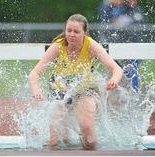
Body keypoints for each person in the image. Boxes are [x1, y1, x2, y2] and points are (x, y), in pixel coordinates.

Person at [28, 13, 123, 150]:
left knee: (88, 133)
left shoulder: (91, 45)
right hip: (59, 92)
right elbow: (34, 73)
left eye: (76, 32)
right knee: (54, 140)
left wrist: (114, 80)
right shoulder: (58, 46)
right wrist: (36, 90)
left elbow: (116, 68)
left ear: (85, 33)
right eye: (69, 31)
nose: (72, 34)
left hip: (85, 90)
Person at [98, 0, 147, 93]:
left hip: (133, 47)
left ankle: (133, 93)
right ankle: (116, 93)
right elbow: (105, 21)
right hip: (114, 45)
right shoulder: (107, 7)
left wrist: (131, 8)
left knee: (132, 69)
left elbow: (141, 22)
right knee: (115, 70)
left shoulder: (133, 9)